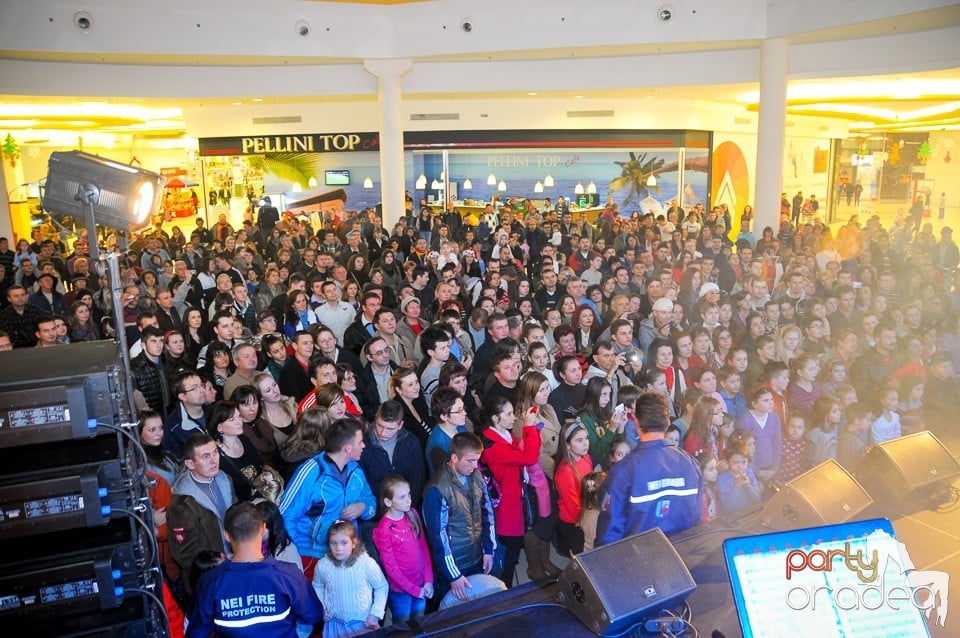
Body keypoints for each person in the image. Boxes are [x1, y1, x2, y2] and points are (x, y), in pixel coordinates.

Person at [186, 502, 324, 638]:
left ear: (226, 535)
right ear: (263, 529)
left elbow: (196, 632)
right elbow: (313, 615)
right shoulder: (289, 574)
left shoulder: (210, 581)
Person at [596, 393, 702, 545]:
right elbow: (696, 521)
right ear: (667, 423)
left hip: (639, 564)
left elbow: (609, 535)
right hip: (682, 560)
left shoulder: (623, 472)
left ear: (637, 424)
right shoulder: (691, 464)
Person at [279, 418, 377, 580]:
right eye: (360, 442)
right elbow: (284, 514)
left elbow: (370, 500)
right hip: (312, 557)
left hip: (347, 553)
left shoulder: (356, 470)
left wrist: (363, 507)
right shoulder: (311, 472)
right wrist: (301, 548)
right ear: (347, 448)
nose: (364, 446)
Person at [422, 431, 497, 603]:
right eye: (470, 461)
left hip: (477, 557)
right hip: (454, 566)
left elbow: (487, 514)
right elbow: (438, 537)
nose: (475, 466)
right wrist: (453, 575)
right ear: (454, 458)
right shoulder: (437, 489)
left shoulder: (476, 475)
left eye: (477, 460)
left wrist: (488, 549)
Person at [479, 395, 541, 588]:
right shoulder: (495, 448)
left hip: (514, 502)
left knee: (511, 552)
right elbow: (529, 457)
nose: (514, 418)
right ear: (495, 419)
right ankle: (503, 588)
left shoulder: (503, 436)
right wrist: (529, 428)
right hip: (508, 510)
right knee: (509, 555)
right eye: (509, 414)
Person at [168, 433, 237, 595]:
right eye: (206, 456)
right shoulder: (182, 503)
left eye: (215, 452)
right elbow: (185, 556)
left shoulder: (225, 479)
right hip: (208, 582)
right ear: (190, 463)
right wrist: (222, 559)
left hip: (233, 569)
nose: (214, 460)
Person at [372, 475, 434, 624]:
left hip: (421, 585)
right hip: (402, 591)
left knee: (419, 623)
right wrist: (414, 590)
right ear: (388, 502)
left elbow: (423, 549)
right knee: (402, 627)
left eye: (409, 494)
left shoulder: (413, 514)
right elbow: (391, 568)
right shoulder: (384, 529)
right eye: (401, 497)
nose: (408, 500)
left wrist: (428, 580)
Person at [311, 521, 388, 637]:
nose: (338, 548)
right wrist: (322, 607)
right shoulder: (323, 565)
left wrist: (375, 614)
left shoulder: (366, 563)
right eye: (333, 543)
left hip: (362, 625)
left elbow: (382, 586)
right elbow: (317, 585)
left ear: (354, 543)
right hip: (334, 625)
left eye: (344, 543)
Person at [554, 421, 593, 556]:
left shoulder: (586, 457)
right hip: (575, 521)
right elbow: (573, 505)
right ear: (568, 445)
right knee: (581, 554)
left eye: (586, 438)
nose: (585, 443)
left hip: (586, 515)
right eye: (579, 440)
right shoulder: (565, 471)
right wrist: (588, 523)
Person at [716, 445, 761, 517]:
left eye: (744, 462)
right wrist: (737, 485)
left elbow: (757, 500)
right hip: (731, 519)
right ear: (728, 462)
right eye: (735, 462)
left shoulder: (749, 473)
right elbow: (728, 508)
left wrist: (748, 485)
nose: (740, 466)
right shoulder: (722, 479)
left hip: (748, 514)